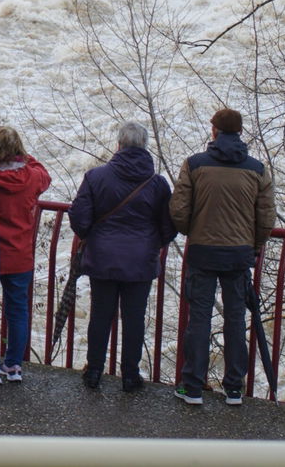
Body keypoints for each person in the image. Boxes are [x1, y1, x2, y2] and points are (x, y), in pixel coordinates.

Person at [170, 108, 275, 406]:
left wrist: (194, 230)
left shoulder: (194, 165)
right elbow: (266, 217)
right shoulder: (257, 169)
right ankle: (234, 389)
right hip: (239, 254)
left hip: (203, 250)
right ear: (240, 132)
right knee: (235, 319)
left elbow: (178, 210)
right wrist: (253, 245)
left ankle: (192, 386)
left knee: (199, 318)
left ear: (214, 131)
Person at [68, 121, 175, 392]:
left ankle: (94, 371)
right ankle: (130, 375)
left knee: (100, 315)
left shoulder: (96, 176)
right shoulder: (158, 184)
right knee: (134, 318)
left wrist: (94, 237)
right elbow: (168, 225)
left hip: (103, 257)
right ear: (145, 146)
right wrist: (151, 244)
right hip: (140, 261)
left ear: (119, 144)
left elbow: (79, 217)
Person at [0, 126, 51, 385]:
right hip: (20, 256)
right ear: (20, 150)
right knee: (17, 311)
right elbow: (45, 174)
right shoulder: (32, 176)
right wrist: (24, 156)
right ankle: (14, 365)